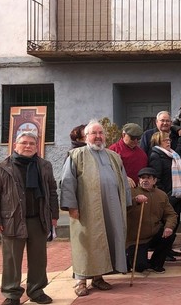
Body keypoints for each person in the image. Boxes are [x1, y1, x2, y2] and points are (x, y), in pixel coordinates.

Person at [0, 132, 59, 305]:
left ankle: (36, 290)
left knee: (39, 259)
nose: (28, 146)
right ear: (15, 145)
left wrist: (53, 215)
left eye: (32, 143)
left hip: (38, 220)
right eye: (24, 143)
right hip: (12, 221)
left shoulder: (45, 165)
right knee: (11, 260)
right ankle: (12, 294)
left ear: (36, 146)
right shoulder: (3, 167)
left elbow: (52, 191)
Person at [60, 120, 131, 297]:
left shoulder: (113, 156)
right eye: (94, 133)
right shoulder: (76, 155)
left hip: (112, 208)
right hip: (87, 209)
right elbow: (67, 182)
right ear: (86, 137)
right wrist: (71, 206)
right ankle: (80, 280)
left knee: (105, 240)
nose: (98, 136)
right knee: (86, 243)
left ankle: (98, 278)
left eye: (101, 133)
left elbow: (123, 182)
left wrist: (126, 202)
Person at [147, 131, 181, 258]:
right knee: (166, 223)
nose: (168, 142)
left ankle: (168, 248)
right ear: (158, 142)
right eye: (165, 140)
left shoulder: (172, 154)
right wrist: (164, 195)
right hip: (167, 195)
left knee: (175, 221)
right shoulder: (156, 155)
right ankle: (163, 250)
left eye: (169, 140)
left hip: (177, 195)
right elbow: (157, 178)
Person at [126, 167, 178, 273]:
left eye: (148, 178)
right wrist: (135, 200)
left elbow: (171, 214)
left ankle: (156, 263)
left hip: (154, 233)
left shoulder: (161, 195)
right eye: (142, 178)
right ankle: (131, 259)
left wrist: (169, 227)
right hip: (136, 239)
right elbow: (122, 207)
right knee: (140, 267)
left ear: (154, 180)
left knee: (169, 235)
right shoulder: (131, 192)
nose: (145, 180)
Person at [108, 122, 147, 188]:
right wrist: (123, 177)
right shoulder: (113, 150)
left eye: (138, 138)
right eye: (132, 138)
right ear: (123, 135)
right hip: (119, 188)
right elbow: (108, 171)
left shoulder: (142, 154)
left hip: (138, 189)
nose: (135, 141)